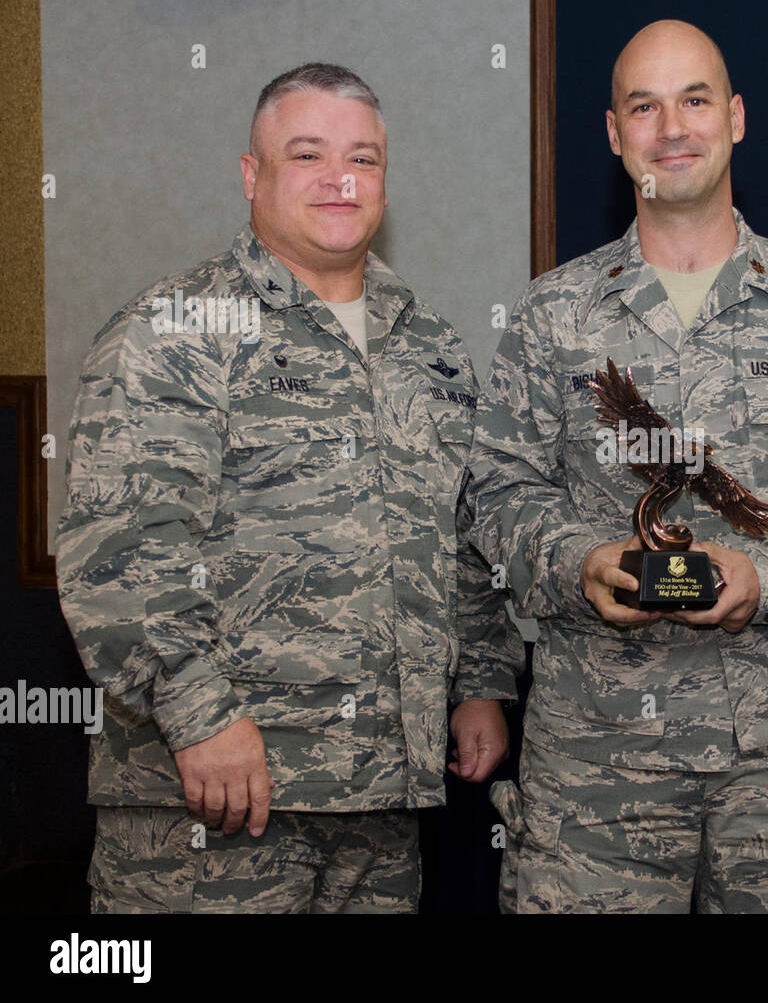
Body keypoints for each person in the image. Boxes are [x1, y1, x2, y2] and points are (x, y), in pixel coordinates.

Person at [469, 20, 768, 913]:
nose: (671, 127)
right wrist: (577, 561)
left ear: (738, 118)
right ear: (614, 134)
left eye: (694, 100)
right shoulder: (550, 316)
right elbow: (499, 489)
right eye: (645, 106)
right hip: (597, 768)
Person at [56, 62, 521, 913]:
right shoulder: (175, 330)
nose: (340, 178)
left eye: (364, 158)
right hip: (215, 805)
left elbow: (463, 537)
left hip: (382, 802)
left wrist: (481, 680)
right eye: (307, 154)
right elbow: (122, 549)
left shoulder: (432, 348)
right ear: (251, 176)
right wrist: (197, 715)